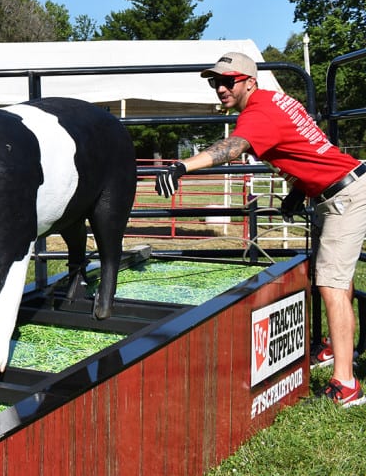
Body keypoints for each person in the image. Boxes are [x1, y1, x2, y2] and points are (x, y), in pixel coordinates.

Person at [155, 52, 366, 407]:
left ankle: (346, 385)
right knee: (338, 280)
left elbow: (232, 148)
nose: (220, 88)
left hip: (344, 196)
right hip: (340, 188)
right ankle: (337, 350)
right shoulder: (276, 101)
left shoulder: (259, 112)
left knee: (330, 283)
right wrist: (299, 192)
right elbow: (307, 149)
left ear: (250, 81)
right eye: (215, 82)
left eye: (228, 81)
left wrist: (182, 166)